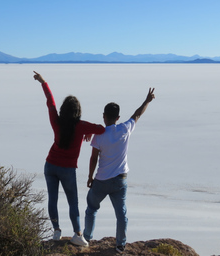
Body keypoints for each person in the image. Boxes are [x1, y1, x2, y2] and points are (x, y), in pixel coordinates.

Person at [33, 71, 105, 247]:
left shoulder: (56, 122)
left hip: (50, 165)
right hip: (67, 170)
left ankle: (56, 231)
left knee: (52, 199)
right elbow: (102, 129)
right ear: (78, 111)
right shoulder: (81, 126)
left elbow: (50, 102)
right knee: (73, 201)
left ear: (63, 111)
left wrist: (43, 82)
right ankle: (78, 234)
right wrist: (88, 131)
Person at [83, 88, 155, 253]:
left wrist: (89, 177)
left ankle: (87, 238)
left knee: (92, 208)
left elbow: (93, 158)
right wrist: (147, 101)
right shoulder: (124, 129)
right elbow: (137, 114)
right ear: (117, 118)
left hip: (101, 180)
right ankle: (120, 244)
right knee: (121, 213)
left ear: (104, 116)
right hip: (120, 180)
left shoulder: (99, 135)